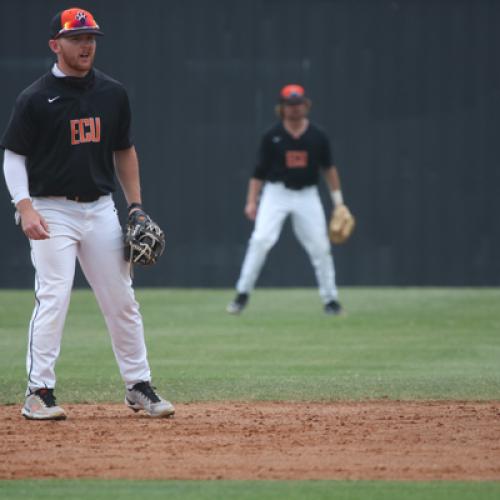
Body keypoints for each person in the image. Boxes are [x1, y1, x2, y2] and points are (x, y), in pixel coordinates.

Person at [1, 8, 174, 420]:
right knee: (54, 296)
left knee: (122, 299)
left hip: (99, 209)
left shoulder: (112, 93)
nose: (86, 45)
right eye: (76, 38)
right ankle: (38, 392)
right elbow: (13, 156)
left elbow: (124, 150)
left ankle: (138, 386)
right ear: (54, 44)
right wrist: (23, 206)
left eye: (91, 37)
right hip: (50, 209)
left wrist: (134, 206)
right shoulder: (36, 97)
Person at [227, 84, 347, 315]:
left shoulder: (317, 136)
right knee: (261, 240)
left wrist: (338, 202)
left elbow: (329, 169)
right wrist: (252, 201)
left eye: (298, 103)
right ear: (282, 108)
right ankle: (242, 295)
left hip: (307, 195)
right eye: (289, 104)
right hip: (276, 193)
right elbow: (258, 173)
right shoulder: (272, 136)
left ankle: (331, 300)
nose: (294, 108)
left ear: (306, 105)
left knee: (321, 247)